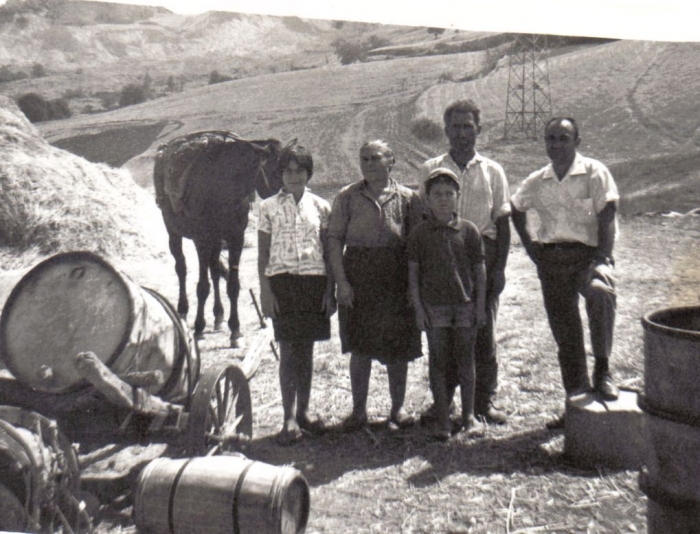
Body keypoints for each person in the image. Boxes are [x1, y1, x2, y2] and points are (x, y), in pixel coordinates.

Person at [510, 117, 620, 430]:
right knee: (566, 335)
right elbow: (515, 207)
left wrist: (603, 258)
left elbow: (607, 213)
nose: (556, 144)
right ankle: (576, 402)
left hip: (588, 257)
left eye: (563, 138)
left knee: (601, 294)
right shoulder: (538, 179)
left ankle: (603, 370)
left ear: (577, 141)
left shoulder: (594, 172)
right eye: (551, 138)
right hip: (552, 262)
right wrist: (531, 246)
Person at [420, 99, 511, 425]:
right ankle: (444, 404)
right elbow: (422, 215)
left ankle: (484, 401)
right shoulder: (430, 168)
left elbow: (502, 222)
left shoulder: (493, 171)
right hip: (442, 256)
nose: (462, 133)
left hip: (481, 259)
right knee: (443, 335)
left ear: (479, 129)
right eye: (455, 127)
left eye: (468, 126)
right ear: (446, 130)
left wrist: (499, 269)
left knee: (482, 332)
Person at [328, 139, 423, 431]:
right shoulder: (347, 197)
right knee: (360, 346)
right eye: (364, 158)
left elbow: (417, 246)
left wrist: (412, 286)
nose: (369, 163)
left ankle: (398, 409)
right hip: (359, 273)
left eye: (375, 158)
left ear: (390, 161)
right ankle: (359, 412)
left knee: (399, 347)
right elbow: (333, 239)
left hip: (396, 275)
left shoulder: (409, 197)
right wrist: (341, 282)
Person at [258, 142, 336, 445]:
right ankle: (288, 418)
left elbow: (329, 253)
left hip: (313, 284)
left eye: (299, 170)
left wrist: (330, 290)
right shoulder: (267, 208)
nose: (293, 176)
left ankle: (304, 413)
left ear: (308, 173)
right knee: (289, 352)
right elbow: (263, 255)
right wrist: (266, 292)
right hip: (283, 284)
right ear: (280, 174)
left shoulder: (321, 207)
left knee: (306, 351)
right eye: (288, 170)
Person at [408, 168, 487, 441]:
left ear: (458, 197)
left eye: (449, 194)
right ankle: (442, 418)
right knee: (438, 361)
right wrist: (419, 309)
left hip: (464, 306)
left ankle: (468, 417)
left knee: (466, 360)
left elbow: (479, 271)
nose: (443, 199)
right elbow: (413, 275)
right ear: (427, 199)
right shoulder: (420, 234)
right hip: (435, 309)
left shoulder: (469, 231)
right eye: (437, 194)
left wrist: (479, 306)